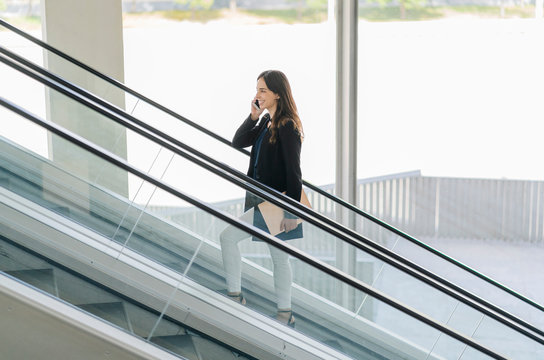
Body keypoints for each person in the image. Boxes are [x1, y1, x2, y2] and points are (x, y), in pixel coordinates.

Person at [220, 70, 304, 327]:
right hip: (262, 200)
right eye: (257, 90)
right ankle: (285, 312)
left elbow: (294, 171)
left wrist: (292, 213)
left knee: (228, 237)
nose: (257, 95)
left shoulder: (288, 125)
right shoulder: (267, 121)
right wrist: (253, 116)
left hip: (277, 202)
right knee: (279, 257)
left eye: (263, 90)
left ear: (278, 93)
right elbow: (237, 142)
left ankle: (235, 295)